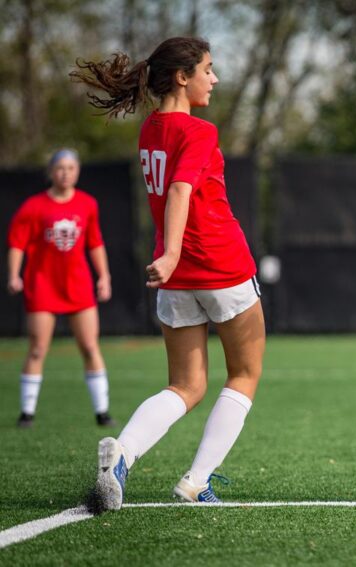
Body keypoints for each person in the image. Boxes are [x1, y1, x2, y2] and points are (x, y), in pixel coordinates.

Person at [71, 37, 265, 511]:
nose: (214, 79)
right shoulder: (199, 131)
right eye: (208, 69)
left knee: (185, 385)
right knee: (244, 373)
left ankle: (124, 452)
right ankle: (196, 482)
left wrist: (171, 257)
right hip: (218, 265)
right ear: (183, 77)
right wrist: (176, 251)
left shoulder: (150, 129)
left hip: (173, 278)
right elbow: (180, 191)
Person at [7, 149, 115, 429]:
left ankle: (102, 413)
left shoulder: (88, 204)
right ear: (51, 172)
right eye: (60, 168)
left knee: (90, 346)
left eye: (71, 167)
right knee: (37, 348)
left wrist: (104, 276)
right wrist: (14, 275)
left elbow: (95, 242)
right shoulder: (33, 206)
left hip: (78, 286)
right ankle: (26, 413)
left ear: (77, 171)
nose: (65, 173)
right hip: (43, 284)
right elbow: (17, 244)